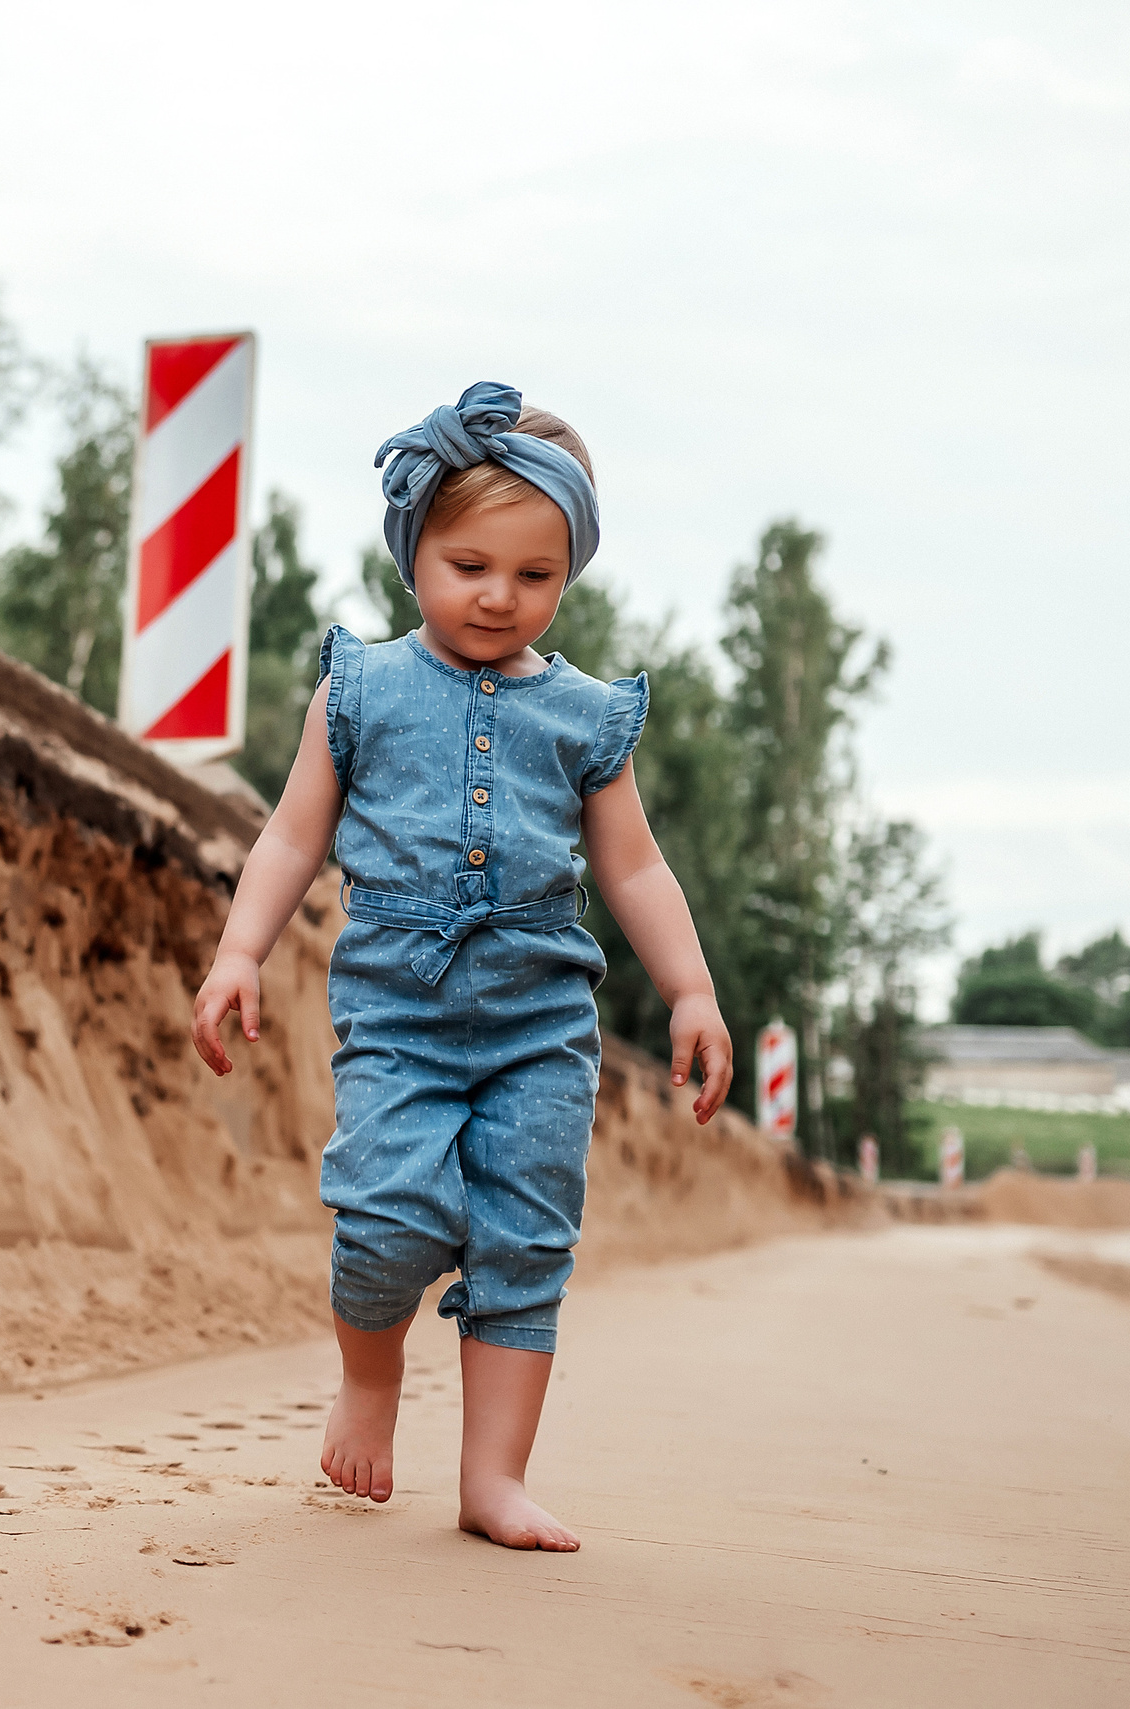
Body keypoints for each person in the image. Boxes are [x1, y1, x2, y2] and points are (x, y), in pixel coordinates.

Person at [189, 382, 732, 1552]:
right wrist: (240, 950)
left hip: (542, 1026)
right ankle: (369, 1377)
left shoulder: (587, 716)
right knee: (387, 1210)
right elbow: (289, 835)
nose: (498, 595)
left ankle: (493, 1476)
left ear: (570, 571)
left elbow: (634, 867)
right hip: (397, 1015)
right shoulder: (361, 689)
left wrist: (690, 987)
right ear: (412, 552)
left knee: (524, 1236)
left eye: (535, 574)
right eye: (468, 564)